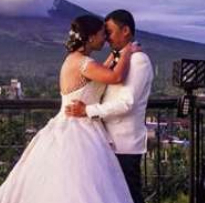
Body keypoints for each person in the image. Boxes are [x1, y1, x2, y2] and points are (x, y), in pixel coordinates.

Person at [0, 14, 141, 203]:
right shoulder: (84, 64)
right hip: (80, 130)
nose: (106, 38)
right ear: (91, 37)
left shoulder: (79, 60)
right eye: (103, 34)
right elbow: (116, 77)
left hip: (79, 126)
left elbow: (103, 71)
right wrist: (127, 52)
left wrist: (116, 54)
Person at [65, 10, 153, 203]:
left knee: (129, 196)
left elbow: (127, 102)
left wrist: (87, 111)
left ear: (126, 31)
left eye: (109, 32)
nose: (106, 38)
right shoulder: (117, 59)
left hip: (124, 145)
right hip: (103, 142)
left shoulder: (138, 60)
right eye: (103, 33)